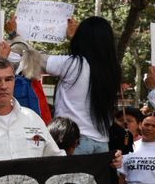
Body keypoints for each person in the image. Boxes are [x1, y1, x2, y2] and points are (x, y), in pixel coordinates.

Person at [14, 15, 121, 153]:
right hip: (102, 144)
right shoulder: (113, 69)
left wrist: (14, 35)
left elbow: (32, 57)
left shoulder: (72, 64)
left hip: (74, 141)